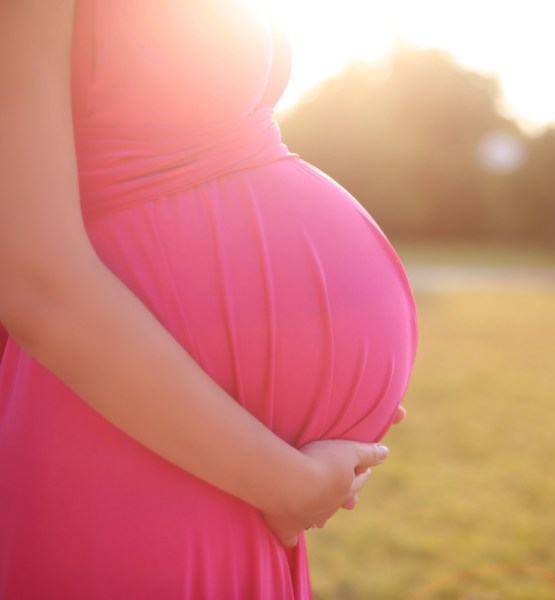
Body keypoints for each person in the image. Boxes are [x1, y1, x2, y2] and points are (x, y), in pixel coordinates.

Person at [0, 1, 417, 598]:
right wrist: (291, 483)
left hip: (231, 455)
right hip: (122, 443)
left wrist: (329, 403)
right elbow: (35, 281)